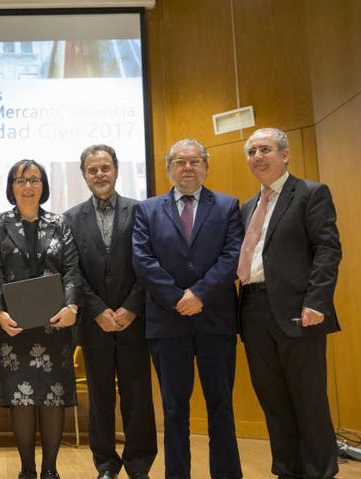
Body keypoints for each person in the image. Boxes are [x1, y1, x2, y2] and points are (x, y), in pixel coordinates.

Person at [132, 139, 243, 479]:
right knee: (174, 409)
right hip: (168, 324)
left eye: (194, 161)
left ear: (206, 166)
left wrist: (200, 295)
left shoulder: (227, 206)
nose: (187, 168)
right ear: (169, 168)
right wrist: (178, 298)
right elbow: (143, 260)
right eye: (180, 162)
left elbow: (232, 255)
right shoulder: (147, 210)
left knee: (221, 407)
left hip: (216, 320)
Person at [238, 128, 341, 479]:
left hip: (300, 312)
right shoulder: (247, 206)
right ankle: (287, 471)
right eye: (251, 151)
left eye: (264, 149)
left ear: (284, 155)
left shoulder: (310, 193)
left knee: (308, 399)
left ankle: (319, 472)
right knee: (273, 400)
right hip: (253, 311)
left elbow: (327, 250)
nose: (257, 157)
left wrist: (317, 302)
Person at [63, 145, 156, 479]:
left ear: (116, 169)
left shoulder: (142, 211)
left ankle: (139, 463)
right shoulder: (70, 218)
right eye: (92, 170)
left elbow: (150, 264)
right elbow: (71, 272)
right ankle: (105, 463)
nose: (99, 174)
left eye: (105, 168)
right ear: (84, 175)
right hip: (93, 322)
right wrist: (99, 310)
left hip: (135, 319)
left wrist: (131, 307)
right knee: (100, 397)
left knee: (137, 394)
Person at [0, 159, 81, 479]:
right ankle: (26, 470)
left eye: (34, 180)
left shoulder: (60, 223)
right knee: (21, 397)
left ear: (43, 186)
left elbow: (71, 271)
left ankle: (50, 470)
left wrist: (71, 308)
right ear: (11, 187)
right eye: (20, 180)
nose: (28, 186)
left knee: (52, 398)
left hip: (56, 326)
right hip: (13, 327)